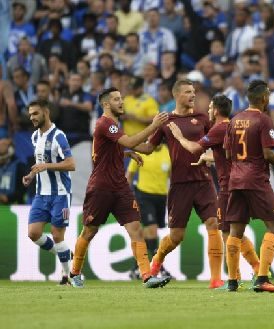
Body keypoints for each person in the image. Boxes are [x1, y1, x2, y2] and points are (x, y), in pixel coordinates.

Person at [68, 87, 170, 289]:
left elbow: (146, 148)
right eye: (116, 99)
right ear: (106, 104)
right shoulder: (105, 123)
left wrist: (126, 152)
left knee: (135, 229)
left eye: (121, 98)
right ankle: (74, 273)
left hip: (120, 187)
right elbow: (131, 141)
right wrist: (153, 124)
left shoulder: (116, 125)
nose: (121, 102)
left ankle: (147, 276)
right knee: (89, 231)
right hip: (101, 186)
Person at [168, 95, 261, 287]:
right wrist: (211, 158)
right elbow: (228, 154)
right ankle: (254, 271)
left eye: (210, 107)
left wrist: (178, 137)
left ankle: (243, 275)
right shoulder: (235, 125)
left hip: (228, 187)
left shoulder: (219, 127)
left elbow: (194, 147)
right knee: (234, 232)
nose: (208, 110)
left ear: (216, 110)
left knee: (229, 234)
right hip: (240, 183)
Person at [146, 80, 224, 289]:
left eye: (194, 92)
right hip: (180, 185)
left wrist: (210, 155)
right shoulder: (165, 121)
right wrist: (127, 148)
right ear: (176, 95)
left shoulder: (202, 118)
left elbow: (217, 143)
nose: (193, 95)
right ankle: (157, 260)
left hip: (204, 181)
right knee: (176, 236)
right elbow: (148, 148)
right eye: (188, 92)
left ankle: (216, 279)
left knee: (213, 225)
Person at [224, 80, 274, 293]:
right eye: (268, 95)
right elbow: (268, 153)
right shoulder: (263, 120)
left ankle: (232, 281)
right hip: (256, 179)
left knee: (236, 230)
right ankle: (262, 278)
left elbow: (226, 153)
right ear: (264, 98)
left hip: (236, 179)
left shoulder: (234, 120)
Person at [21, 100, 75, 286]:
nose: (32, 118)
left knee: (57, 235)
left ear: (46, 112)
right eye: (30, 114)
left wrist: (46, 166)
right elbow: (40, 164)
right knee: (33, 233)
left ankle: (67, 276)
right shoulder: (35, 137)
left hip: (60, 193)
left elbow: (71, 164)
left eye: (35, 113)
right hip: (40, 194)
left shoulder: (59, 136)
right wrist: (30, 175)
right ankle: (66, 254)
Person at [126, 143, 172, 280]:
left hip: (161, 196)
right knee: (152, 230)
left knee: (147, 233)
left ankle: (135, 268)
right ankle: (160, 268)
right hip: (143, 195)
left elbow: (172, 176)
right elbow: (129, 175)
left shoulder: (167, 152)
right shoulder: (141, 151)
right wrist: (125, 196)